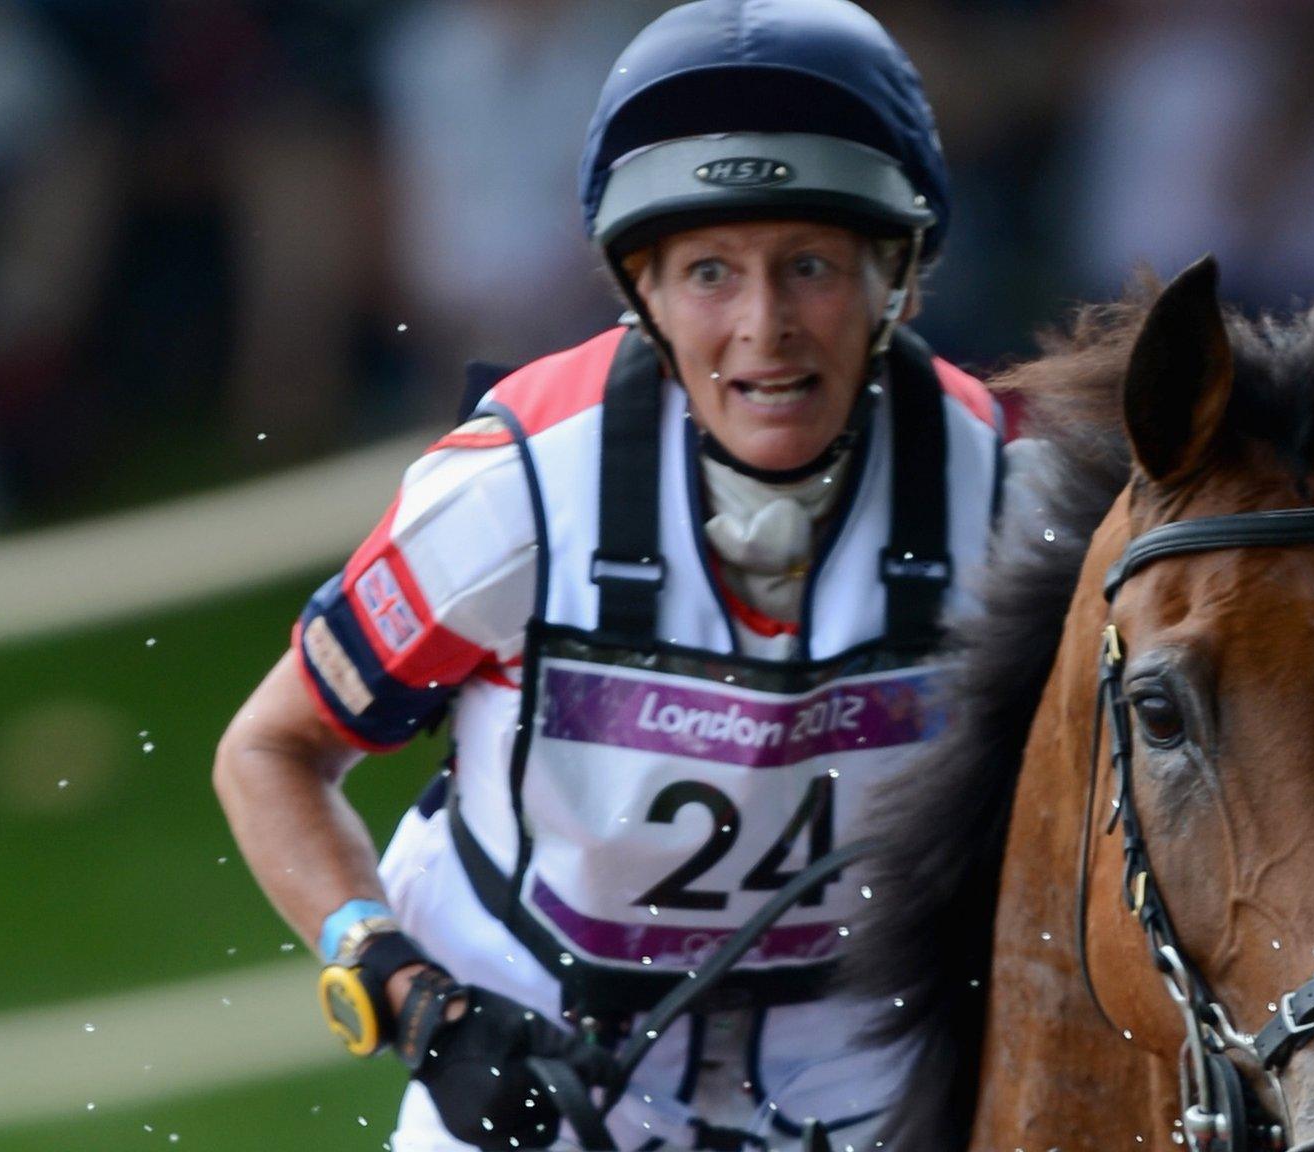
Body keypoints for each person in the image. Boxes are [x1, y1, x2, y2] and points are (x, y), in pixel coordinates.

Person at [211, 2, 1003, 1149]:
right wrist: (407, 996)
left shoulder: (1012, 502)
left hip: (886, 1092)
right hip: (526, 1074)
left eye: (813, 266)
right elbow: (271, 751)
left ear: (897, 277)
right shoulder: (511, 492)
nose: (763, 327)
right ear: (641, 292)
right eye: (709, 272)